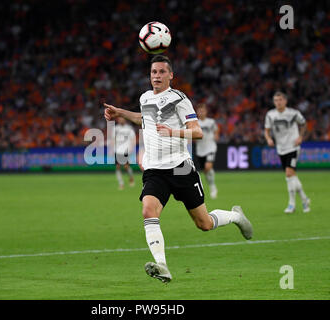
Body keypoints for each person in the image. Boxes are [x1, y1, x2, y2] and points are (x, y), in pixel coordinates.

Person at [104, 55, 253, 283]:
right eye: (154, 72)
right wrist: (120, 113)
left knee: (204, 224)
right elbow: (144, 120)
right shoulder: (145, 98)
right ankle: (162, 266)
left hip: (181, 168)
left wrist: (173, 132)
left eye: (162, 72)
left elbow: (198, 132)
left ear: (171, 75)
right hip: (155, 170)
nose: (157, 76)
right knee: (148, 211)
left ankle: (235, 216)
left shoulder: (179, 99)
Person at [264, 91, 310, 213]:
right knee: (292, 175)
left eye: (280, 100)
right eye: (275, 100)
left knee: (289, 174)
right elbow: (267, 130)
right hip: (281, 148)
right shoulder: (270, 115)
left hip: (293, 147)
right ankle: (305, 199)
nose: (278, 102)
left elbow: (304, 124)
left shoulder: (293, 113)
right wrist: (268, 138)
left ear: (285, 101)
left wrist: (300, 137)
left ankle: (292, 204)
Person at [194, 103, 219, 199]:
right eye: (199, 111)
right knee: (205, 171)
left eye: (203, 110)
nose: (201, 112)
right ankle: (211, 184)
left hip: (210, 147)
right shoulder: (196, 123)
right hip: (200, 150)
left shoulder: (211, 122)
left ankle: (213, 188)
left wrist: (216, 136)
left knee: (208, 167)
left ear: (206, 112)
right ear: (197, 112)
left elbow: (216, 130)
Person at [112, 116, 136, 190]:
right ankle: (121, 183)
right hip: (117, 150)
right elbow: (113, 139)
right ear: (118, 120)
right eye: (120, 119)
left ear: (125, 119)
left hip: (126, 149)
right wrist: (112, 148)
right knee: (118, 167)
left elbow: (133, 138)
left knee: (126, 166)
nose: (121, 120)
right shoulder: (115, 128)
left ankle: (131, 178)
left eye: (122, 119)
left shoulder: (129, 128)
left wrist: (132, 147)